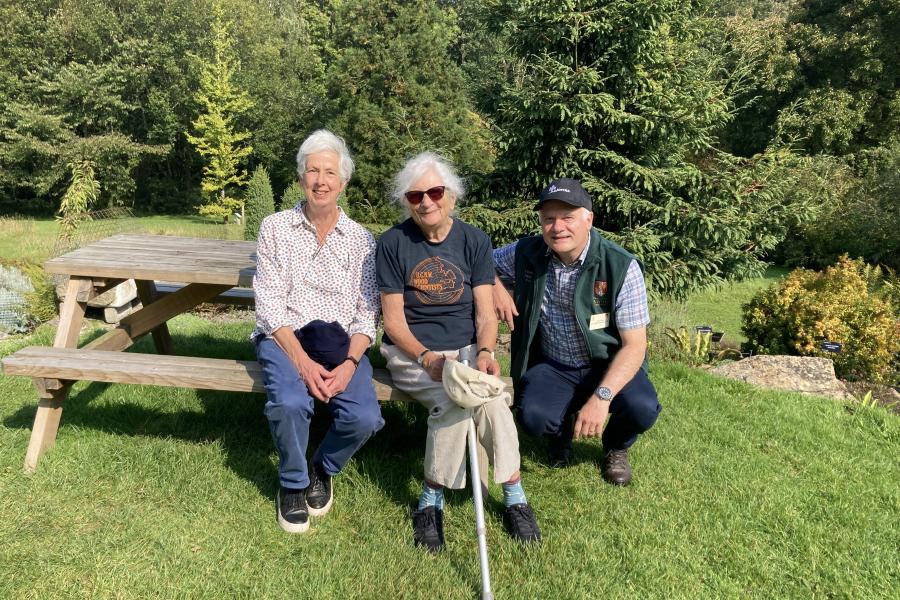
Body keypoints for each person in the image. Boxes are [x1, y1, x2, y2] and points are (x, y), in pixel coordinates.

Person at [376, 152, 541, 551]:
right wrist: (428, 358)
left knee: (492, 400)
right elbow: (394, 323)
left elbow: (486, 313)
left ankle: (512, 493)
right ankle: (432, 499)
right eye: (416, 196)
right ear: (406, 202)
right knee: (455, 399)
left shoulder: (474, 241)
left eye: (434, 192)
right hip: (413, 355)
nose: (427, 202)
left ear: (450, 195)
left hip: (467, 351)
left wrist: (485, 351)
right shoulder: (393, 243)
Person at [252, 129, 384, 533]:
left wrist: (349, 363)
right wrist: (303, 364)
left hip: (340, 341)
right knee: (290, 403)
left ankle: (321, 467)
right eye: (313, 171)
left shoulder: (362, 239)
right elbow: (271, 306)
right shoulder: (275, 228)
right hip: (285, 336)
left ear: (343, 183)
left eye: (330, 172)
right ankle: (292, 482)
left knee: (364, 417)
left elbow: (368, 311)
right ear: (300, 179)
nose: (320, 180)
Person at [493, 177, 661, 485]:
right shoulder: (525, 253)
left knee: (642, 408)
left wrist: (602, 397)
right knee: (533, 418)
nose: (558, 227)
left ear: (588, 219)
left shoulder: (620, 266)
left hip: (607, 364)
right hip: (554, 365)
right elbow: (478, 264)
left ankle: (616, 447)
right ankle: (560, 430)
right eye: (549, 219)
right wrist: (496, 287)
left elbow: (634, 346)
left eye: (568, 217)